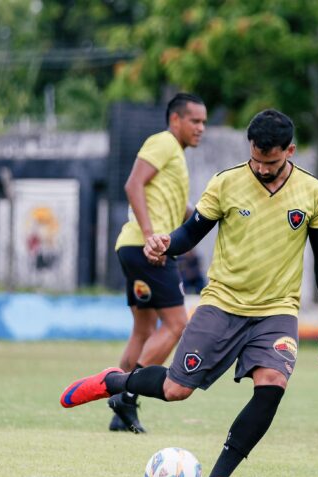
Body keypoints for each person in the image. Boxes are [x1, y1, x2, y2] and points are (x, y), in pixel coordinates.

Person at [61, 109, 318, 477]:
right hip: (222, 304)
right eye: (257, 159)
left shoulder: (313, 192)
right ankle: (114, 382)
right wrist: (165, 242)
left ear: (290, 151)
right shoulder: (226, 183)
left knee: (273, 385)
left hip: (277, 310)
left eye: (271, 162)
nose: (261, 169)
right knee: (177, 390)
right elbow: (191, 233)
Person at [107, 93, 208, 434]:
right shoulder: (163, 142)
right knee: (178, 324)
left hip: (134, 247)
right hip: (147, 248)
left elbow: (183, 210)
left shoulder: (176, 156)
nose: (201, 128)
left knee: (144, 329)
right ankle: (127, 395)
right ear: (175, 120)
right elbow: (133, 183)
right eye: (195, 121)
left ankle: (118, 410)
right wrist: (152, 235)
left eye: (204, 122)